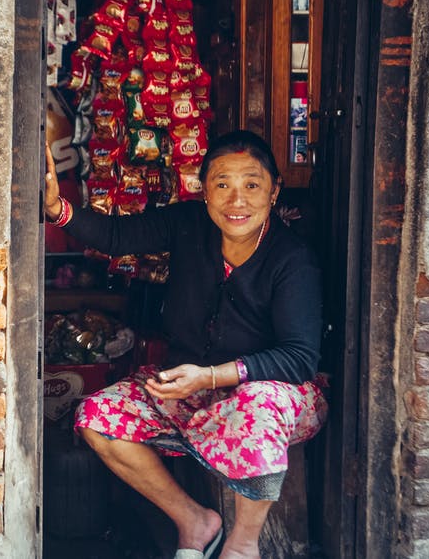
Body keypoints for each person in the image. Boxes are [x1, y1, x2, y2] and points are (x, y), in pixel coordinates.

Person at [44, 130, 327, 559]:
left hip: (279, 402)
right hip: (194, 392)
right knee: (97, 416)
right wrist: (56, 210)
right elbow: (118, 236)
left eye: (251, 184)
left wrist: (210, 377)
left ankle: (243, 546)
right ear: (204, 189)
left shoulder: (291, 259)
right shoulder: (189, 224)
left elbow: (299, 358)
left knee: (258, 403)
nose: (237, 200)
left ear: (274, 192)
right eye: (222, 184)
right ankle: (194, 522)